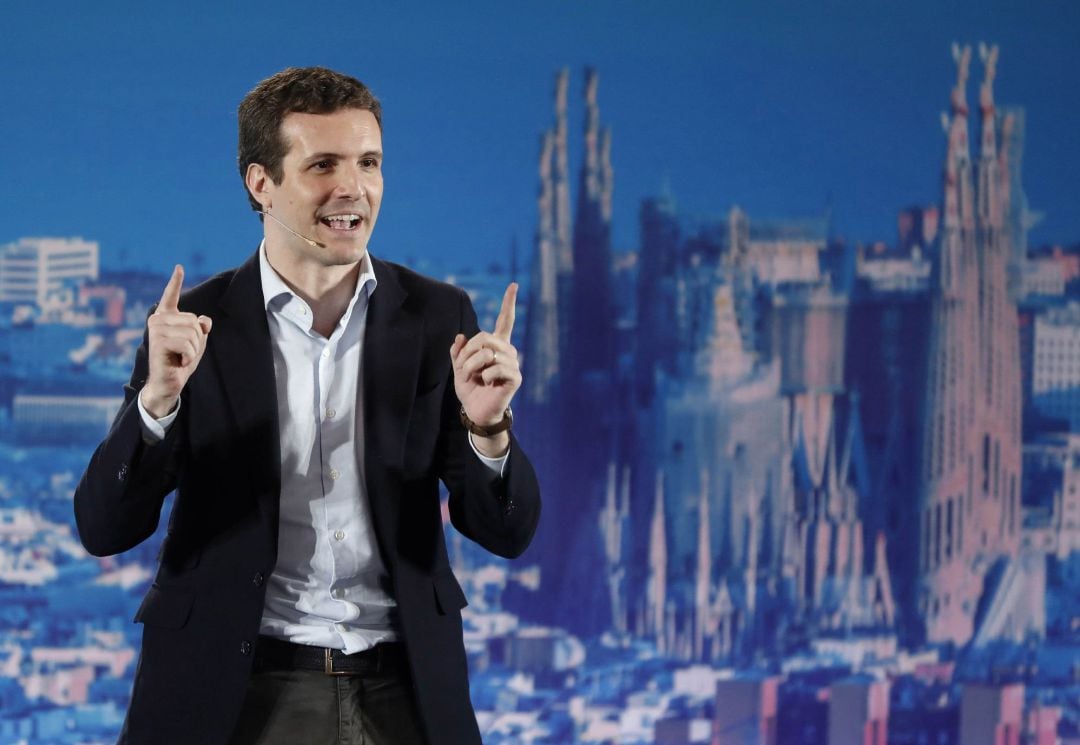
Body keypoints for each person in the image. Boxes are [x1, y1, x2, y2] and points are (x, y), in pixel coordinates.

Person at [74, 66, 541, 745]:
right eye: (323, 164)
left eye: (369, 163)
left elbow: (506, 531)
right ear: (261, 184)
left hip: (404, 689)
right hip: (238, 692)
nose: (353, 188)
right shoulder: (194, 323)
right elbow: (104, 527)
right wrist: (157, 403)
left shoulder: (440, 318)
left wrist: (488, 426)